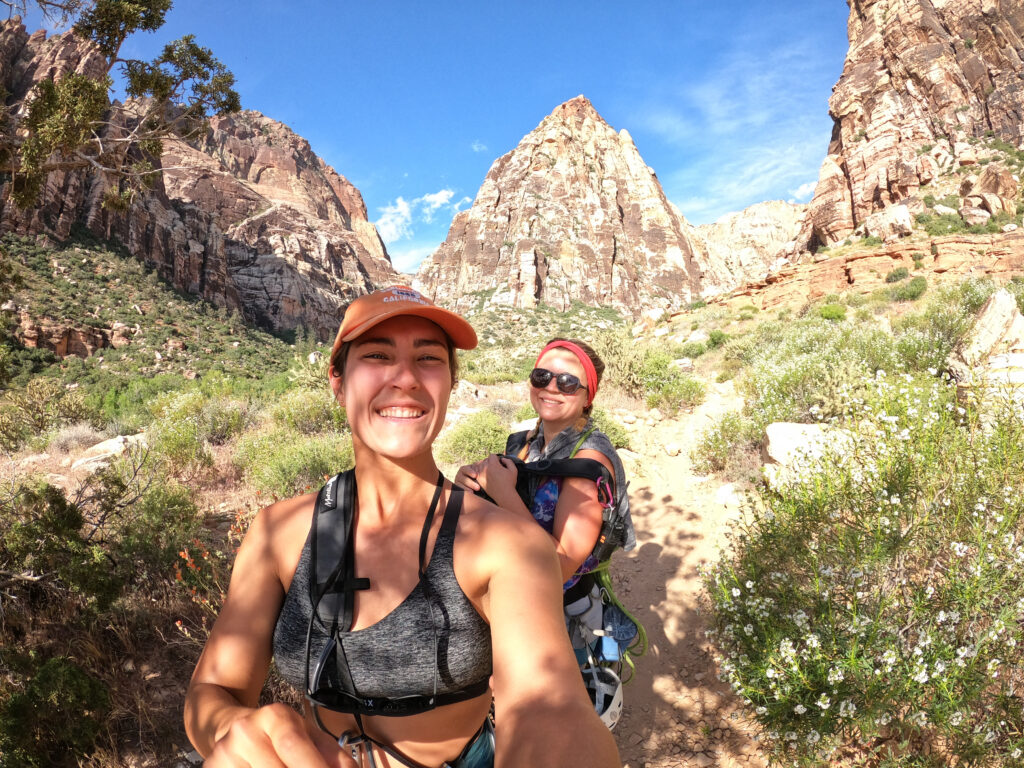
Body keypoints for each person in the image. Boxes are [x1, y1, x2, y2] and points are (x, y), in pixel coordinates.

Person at [184, 288, 620, 768]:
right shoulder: (277, 533)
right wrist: (233, 729)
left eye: (428, 359)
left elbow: (547, 708)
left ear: (451, 383)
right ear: (338, 380)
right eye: (377, 355)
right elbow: (215, 688)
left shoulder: (504, 545)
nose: (406, 378)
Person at [454, 338, 635, 593]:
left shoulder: (588, 462)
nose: (551, 387)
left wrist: (503, 492)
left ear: (587, 397)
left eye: (567, 382)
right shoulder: (525, 444)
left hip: (556, 612)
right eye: (542, 376)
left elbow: (560, 568)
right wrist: (471, 487)